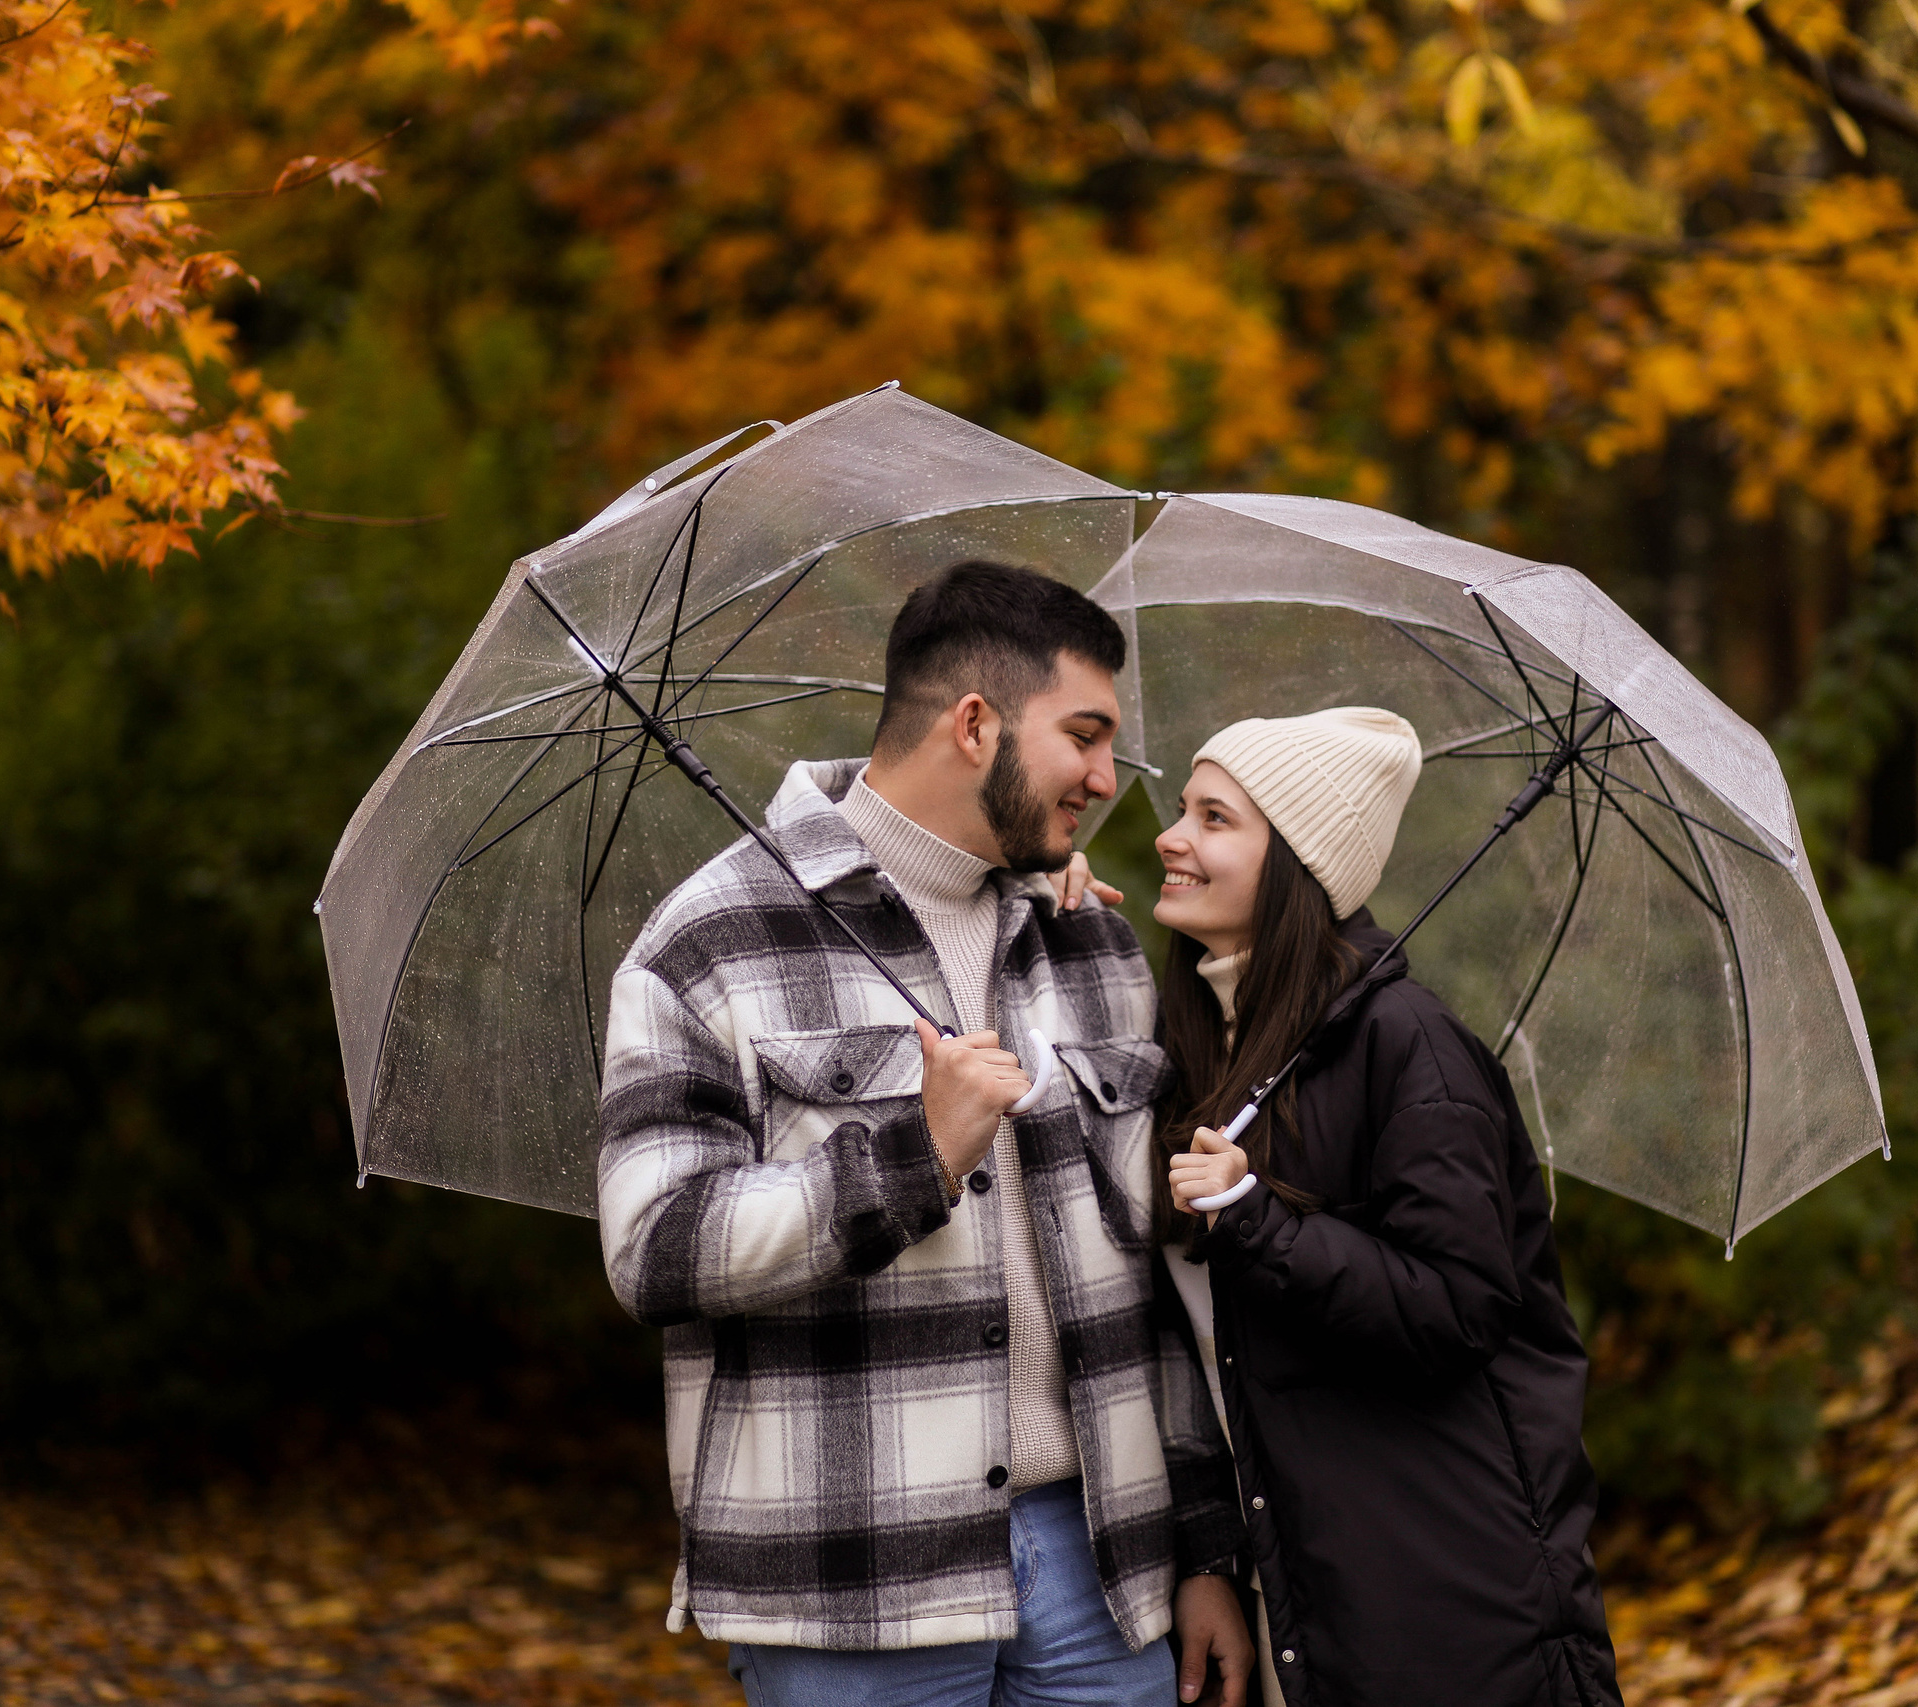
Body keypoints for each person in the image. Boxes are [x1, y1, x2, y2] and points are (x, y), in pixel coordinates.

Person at [598, 561, 1255, 1707]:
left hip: (1101, 1569)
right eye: (1086, 737)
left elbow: (1153, 1284)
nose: (1109, 779)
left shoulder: (1086, 941)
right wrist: (916, 1155)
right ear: (973, 724)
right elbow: (655, 1249)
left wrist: (1203, 1547)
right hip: (853, 1583)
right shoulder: (709, 942)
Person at [1148, 707, 1626, 1707]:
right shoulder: (1213, 1040)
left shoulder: (1408, 1046)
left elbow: (1457, 1309)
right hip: (1307, 1584)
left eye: (1214, 818)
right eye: (1181, 809)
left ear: (1296, 866)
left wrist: (1254, 1217)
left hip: (1448, 1598)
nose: (1170, 835)